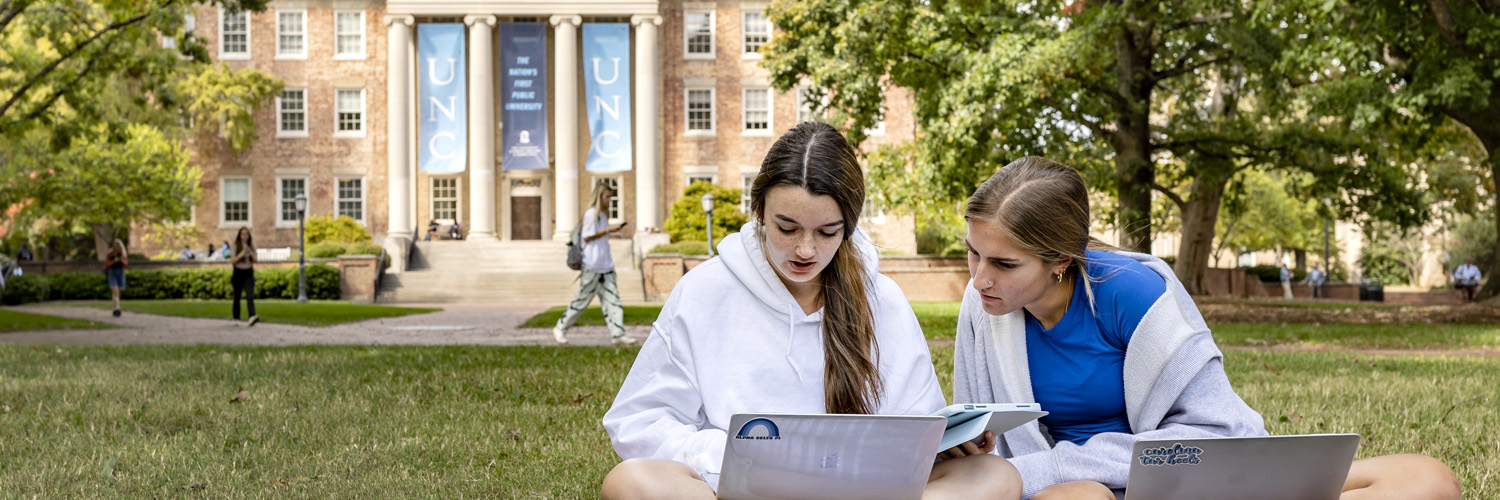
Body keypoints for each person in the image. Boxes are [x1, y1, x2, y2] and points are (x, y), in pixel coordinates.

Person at [950, 157, 1462, 500]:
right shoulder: (982, 306)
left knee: (1427, 479)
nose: (979, 277)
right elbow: (988, 434)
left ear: (1062, 259)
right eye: (973, 252)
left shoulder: (1135, 292)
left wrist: (1056, 467)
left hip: (1183, 476)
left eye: (1004, 263)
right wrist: (967, 441)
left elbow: (1214, 432)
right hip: (1079, 492)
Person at [599, 122, 1020, 500]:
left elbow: (917, 419)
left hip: (863, 492)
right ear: (759, 211)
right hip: (744, 491)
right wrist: (729, 453)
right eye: (787, 228)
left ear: (849, 227)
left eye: (826, 232)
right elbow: (640, 420)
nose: (805, 250)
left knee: (995, 475)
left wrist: (946, 445)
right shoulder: (705, 291)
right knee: (631, 482)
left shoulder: (882, 299)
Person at [552, 183, 634, 345]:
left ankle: (617, 333)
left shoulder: (603, 216)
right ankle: (560, 327)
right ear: (599, 196)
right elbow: (587, 237)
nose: (610, 200)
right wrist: (609, 230)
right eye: (607, 197)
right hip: (591, 265)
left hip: (606, 265)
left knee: (613, 300)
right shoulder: (591, 214)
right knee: (582, 300)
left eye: (611, 197)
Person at [230, 227, 260, 327]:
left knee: (250, 295)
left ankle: (252, 316)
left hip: (248, 272)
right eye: (243, 234)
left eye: (246, 234)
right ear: (239, 235)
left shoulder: (252, 246)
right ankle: (236, 318)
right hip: (238, 272)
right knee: (237, 296)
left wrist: (250, 252)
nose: (245, 236)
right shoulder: (235, 246)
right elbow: (233, 260)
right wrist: (242, 253)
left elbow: (256, 260)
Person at [104, 238, 128, 317]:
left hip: (120, 272)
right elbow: (107, 264)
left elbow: (125, 264)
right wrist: (114, 261)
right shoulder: (109, 253)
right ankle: (116, 307)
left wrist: (121, 260)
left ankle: (116, 307)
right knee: (115, 291)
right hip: (112, 272)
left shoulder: (123, 253)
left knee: (118, 291)